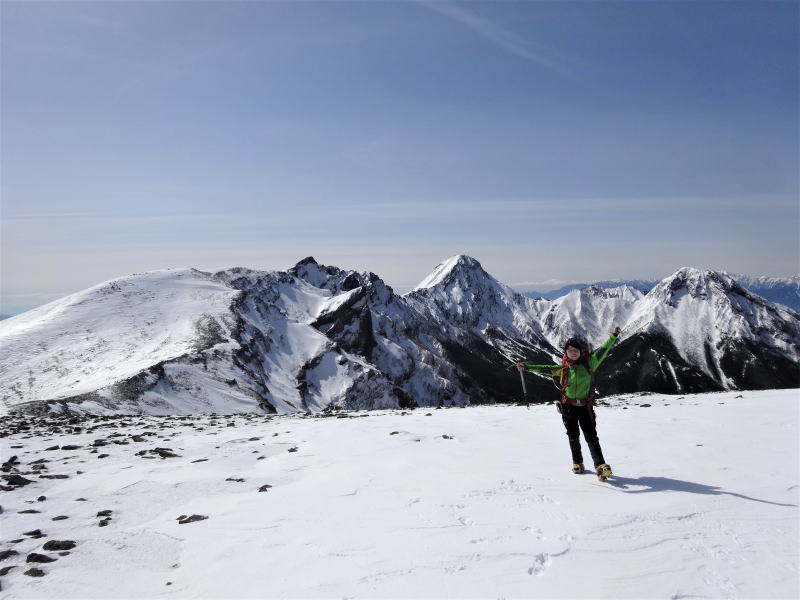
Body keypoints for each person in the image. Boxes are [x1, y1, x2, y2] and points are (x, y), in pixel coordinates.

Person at [517, 326, 622, 480]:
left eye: (575, 350)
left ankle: (600, 465)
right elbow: (544, 369)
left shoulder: (590, 363)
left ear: (581, 351)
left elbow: (603, 350)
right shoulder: (563, 369)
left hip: (585, 407)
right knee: (573, 436)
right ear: (566, 353)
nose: (573, 352)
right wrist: (526, 367)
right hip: (568, 407)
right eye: (570, 350)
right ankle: (577, 463)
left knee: (591, 437)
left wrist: (613, 336)